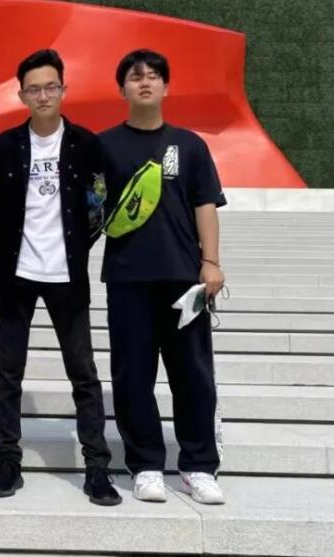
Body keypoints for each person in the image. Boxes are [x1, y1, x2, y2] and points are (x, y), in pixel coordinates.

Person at [0, 49, 121, 505]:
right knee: (9, 373)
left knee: (83, 373)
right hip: (17, 273)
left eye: (50, 87)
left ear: (63, 89)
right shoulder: (6, 144)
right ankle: (8, 463)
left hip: (67, 276)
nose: (43, 95)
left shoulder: (86, 143)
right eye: (34, 89)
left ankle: (97, 468)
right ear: (21, 94)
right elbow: (2, 208)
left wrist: (79, 245)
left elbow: (99, 200)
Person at [99, 49, 227, 505]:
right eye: (135, 77)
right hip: (128, 278)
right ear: (122, 88)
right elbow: (92, 207)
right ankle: (146, 465)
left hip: (184, 280)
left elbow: (205, 205)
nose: (145, 82)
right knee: (132, 376)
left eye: (153, 76)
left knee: (193, 375)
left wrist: (211, 262)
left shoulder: (189, 145)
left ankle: (199, 466)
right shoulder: (104, 146)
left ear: (166, 87)